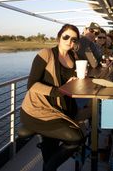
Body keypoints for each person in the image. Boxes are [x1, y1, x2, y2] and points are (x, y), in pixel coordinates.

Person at [20, 24, 90, 171]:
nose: (70, 41)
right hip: (39, 109)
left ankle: (48, 166)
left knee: (52, 149)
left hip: (62, 108)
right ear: (59, 37)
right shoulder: (46, 53)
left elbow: (71, 82)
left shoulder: (73, 56)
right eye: (66, 37)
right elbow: (31, 84)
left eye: (74, 39)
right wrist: (58, 91)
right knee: (76, 138)